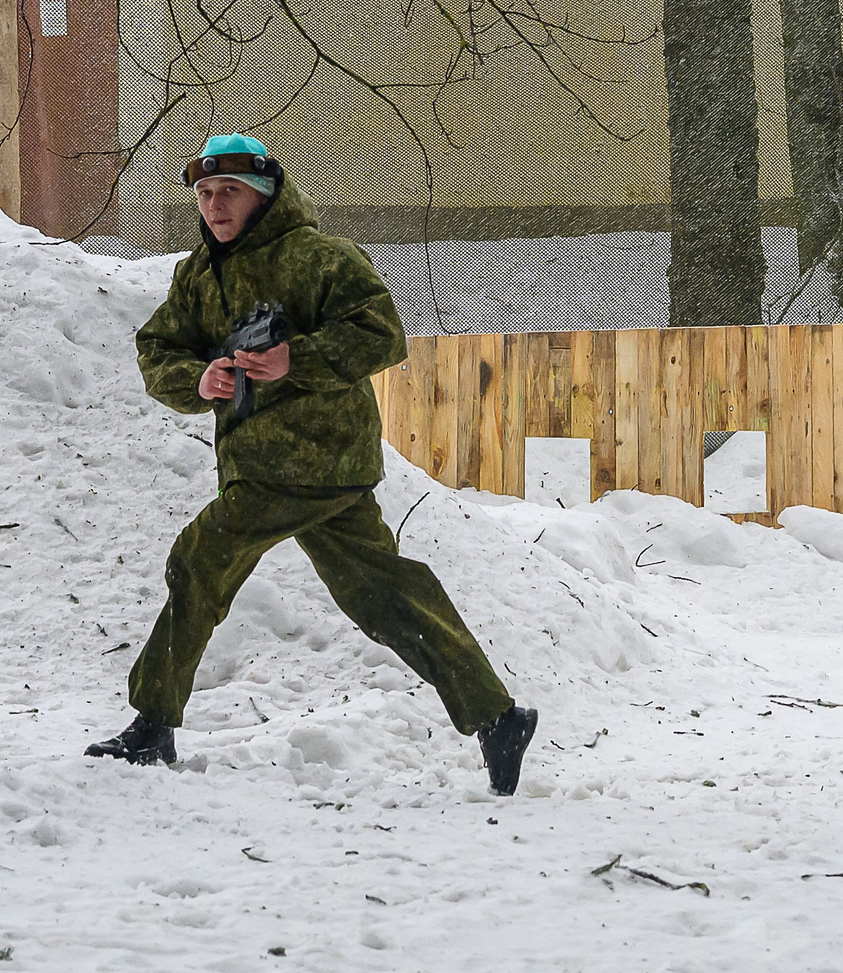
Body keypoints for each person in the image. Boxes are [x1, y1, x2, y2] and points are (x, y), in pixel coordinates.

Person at [86, 134, 538, 794]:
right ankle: (497, 715)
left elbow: (382, 332)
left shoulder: (320, 258)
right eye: (206, 194)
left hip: (301, 458)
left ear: (264, 195)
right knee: (383, 594)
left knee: (198, 561)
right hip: (297, 467)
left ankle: (152, 722)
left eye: (230, 192)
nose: (214, 205)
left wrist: (296, 359)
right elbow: (158, 346)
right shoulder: (199, 275)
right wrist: (199, 377)